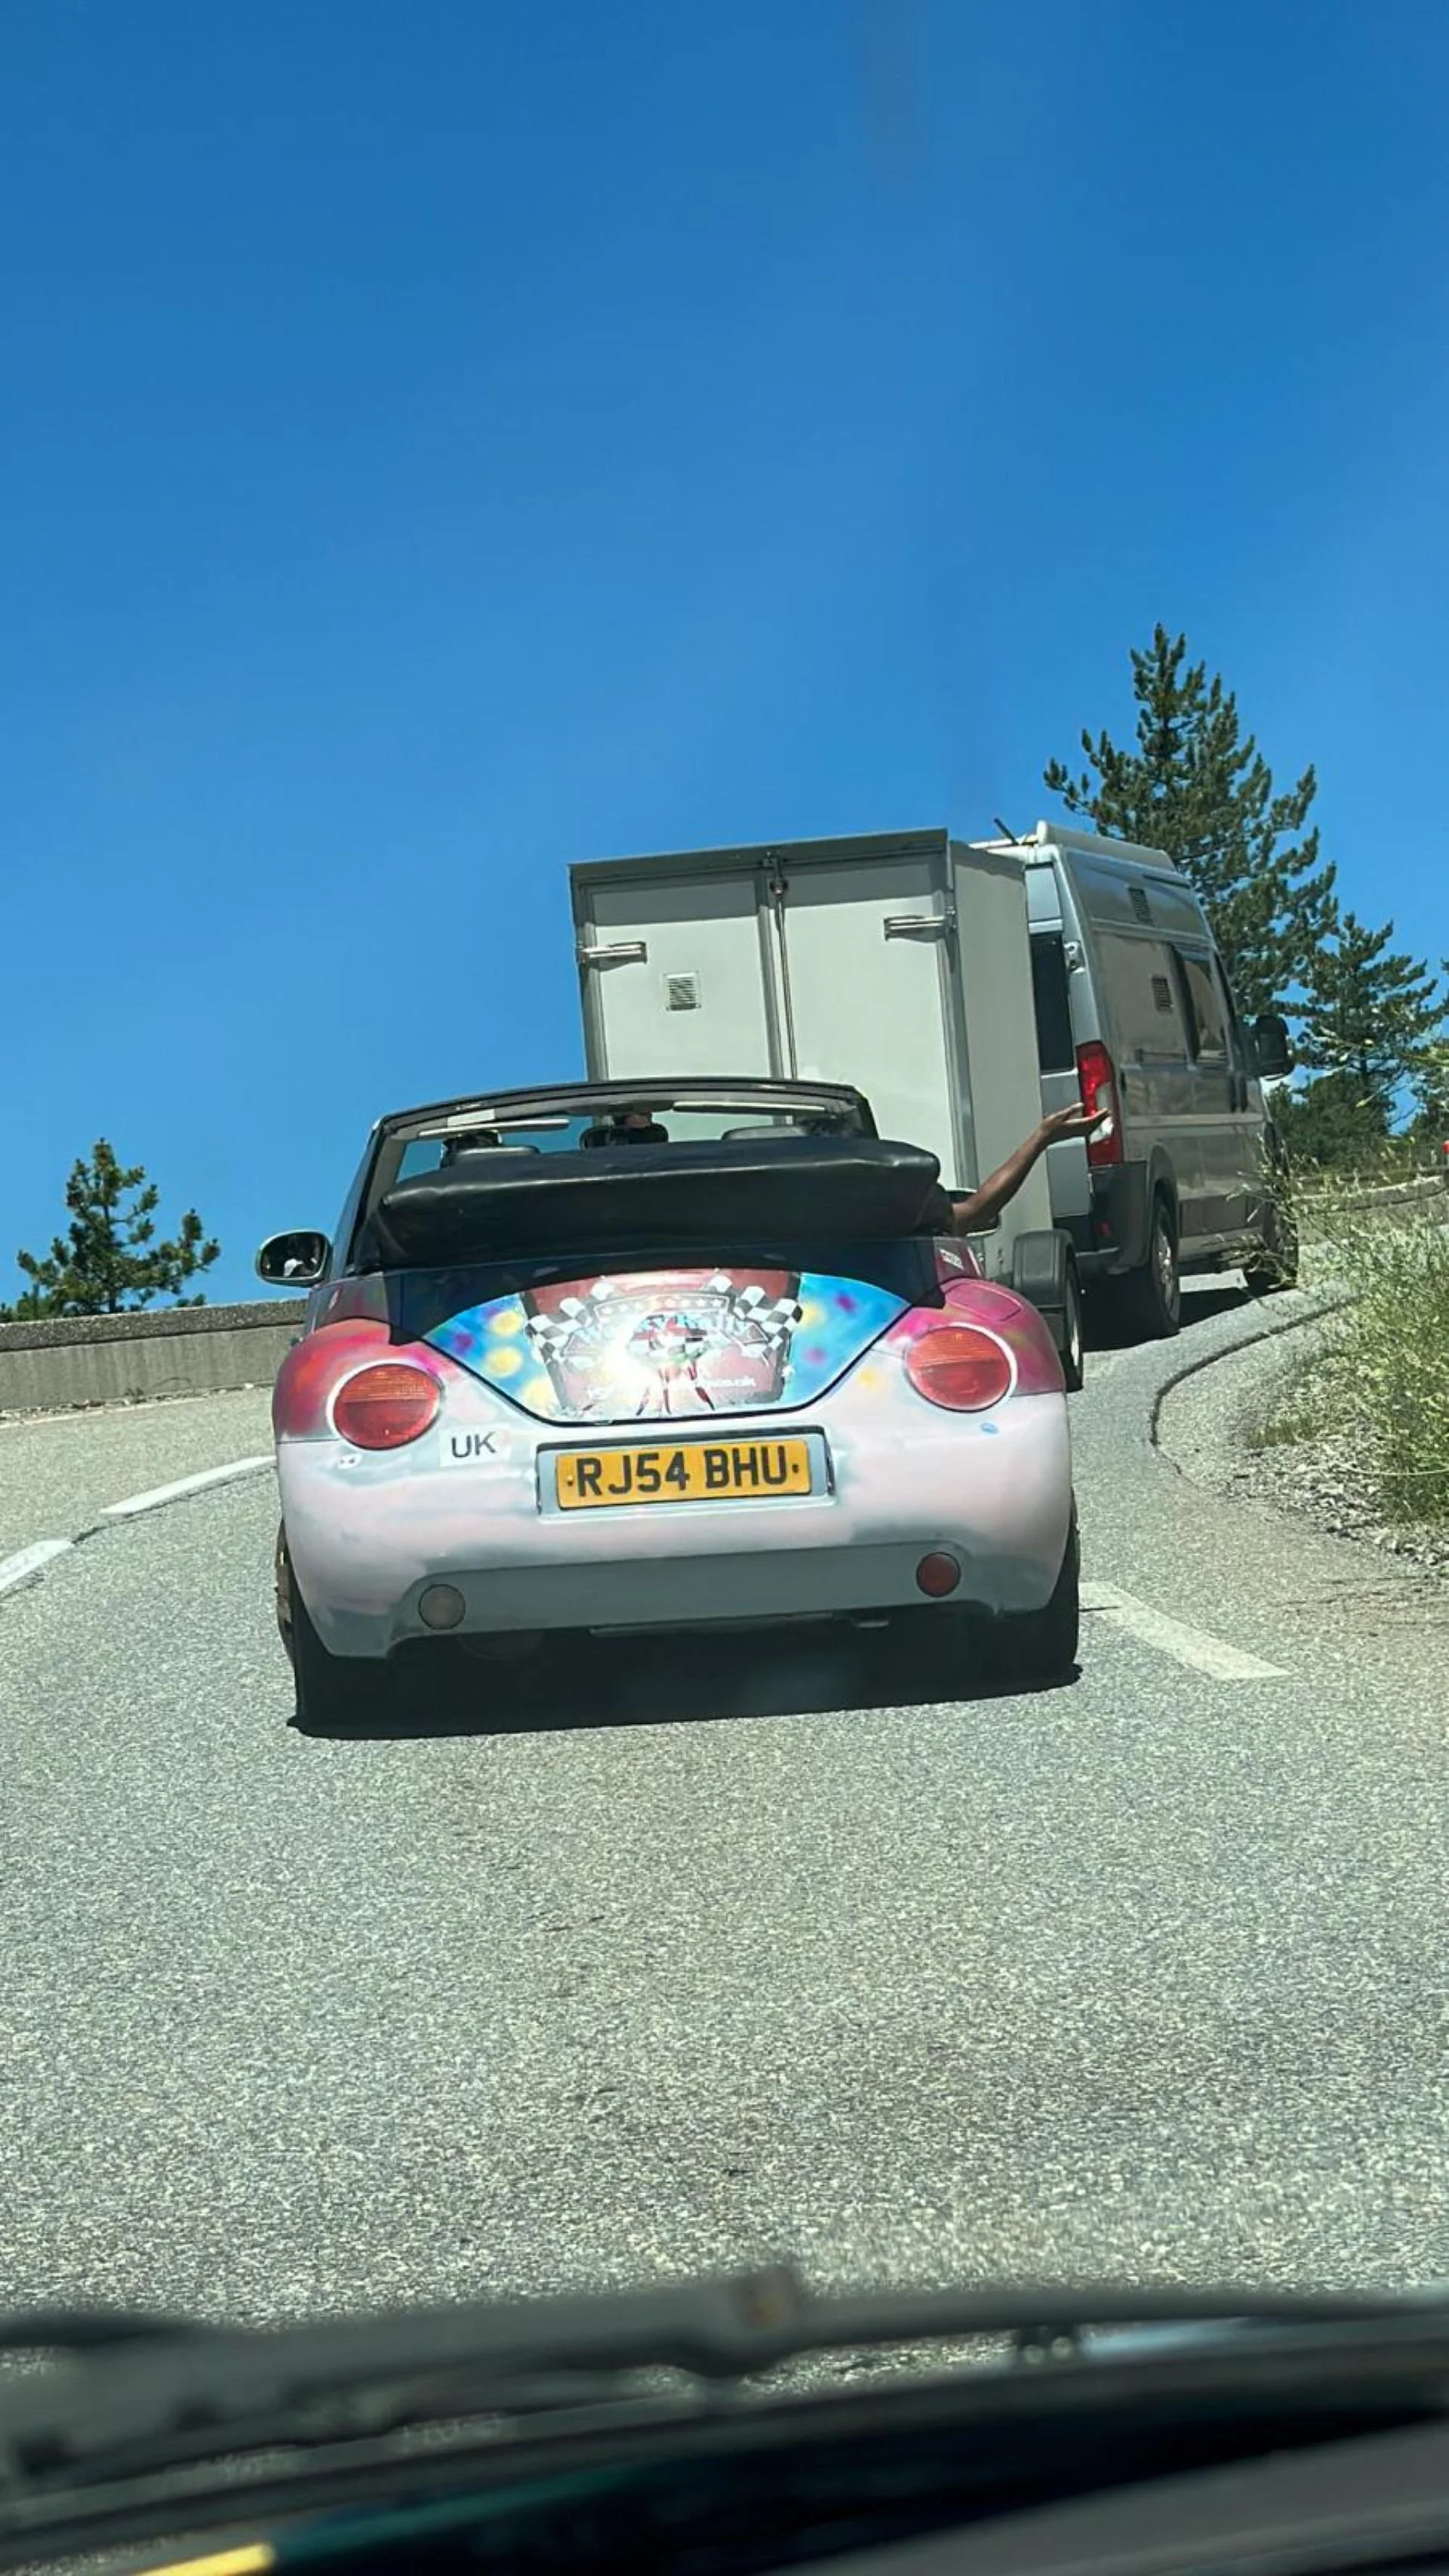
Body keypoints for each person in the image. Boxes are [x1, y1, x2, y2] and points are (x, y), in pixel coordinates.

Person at [943, 1100, 1109, 1234]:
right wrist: (1043, 1137)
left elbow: (975, 1212)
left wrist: (1044, 1136)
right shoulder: (919, 1203)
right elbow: (976, 1211)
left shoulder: (917, 1202)